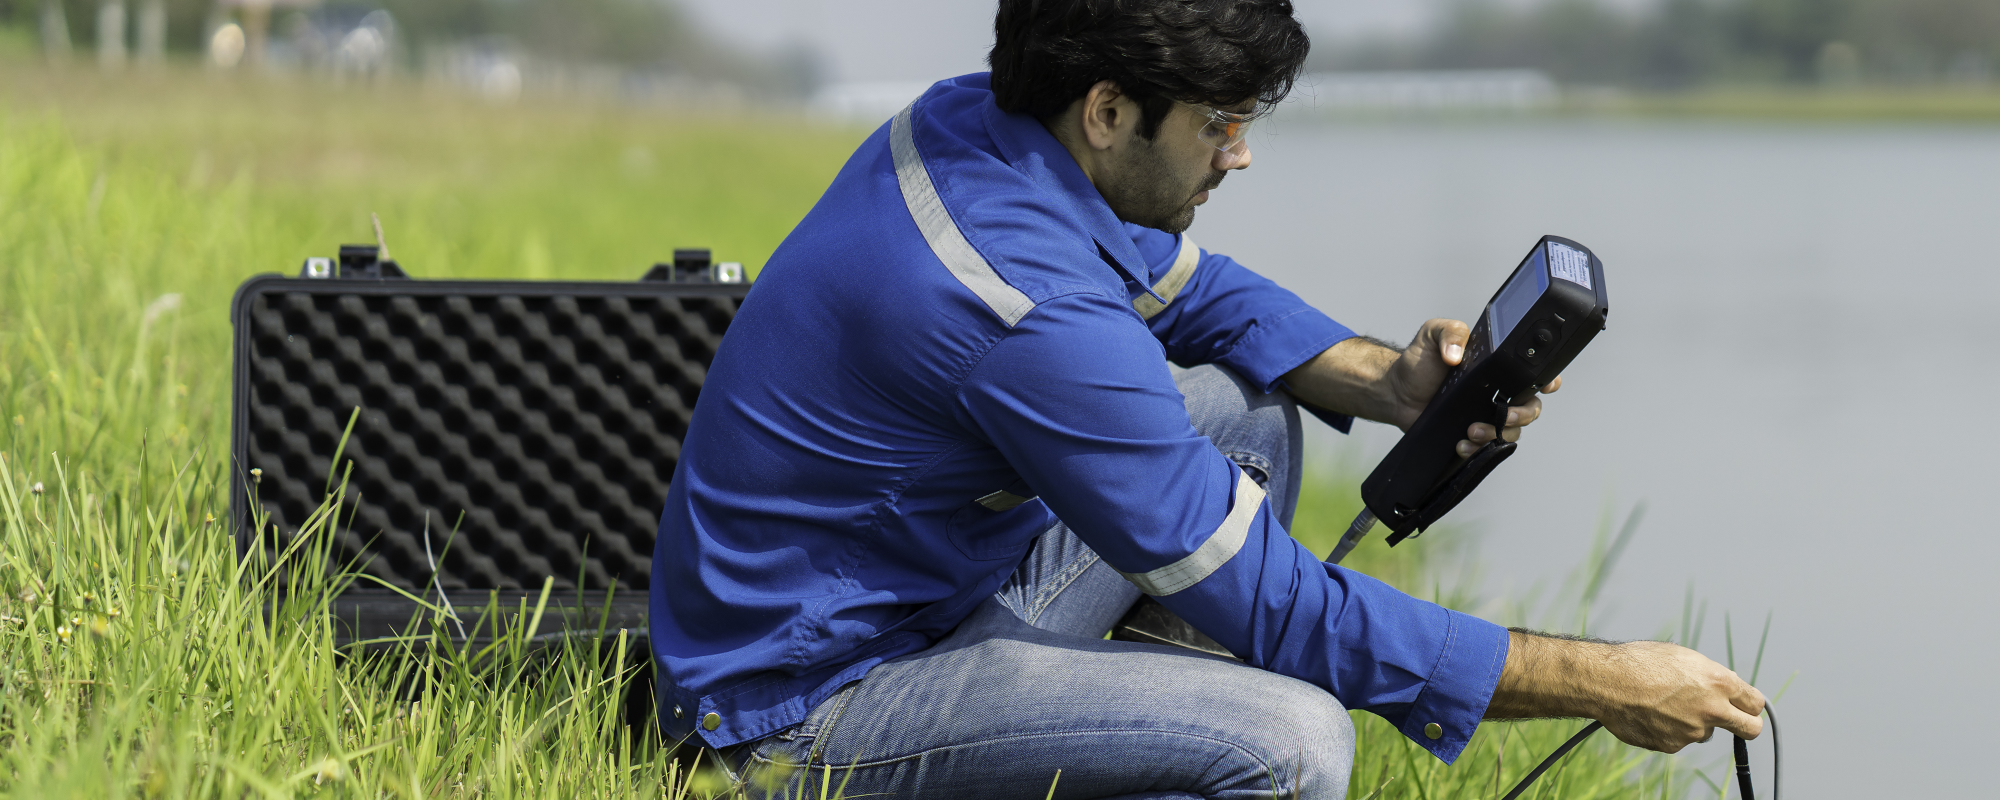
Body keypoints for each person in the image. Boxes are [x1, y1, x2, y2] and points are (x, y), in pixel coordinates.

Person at [648, 1, 1765, 797]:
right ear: (1106, 109)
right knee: (1292, 738)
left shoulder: (977, 125)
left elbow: (1200, 293)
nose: (1239, 157)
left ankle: (1151, 723)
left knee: (1247, 412)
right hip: (800, 705)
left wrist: (1390, 380)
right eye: (1215, 126)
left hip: (917, 583)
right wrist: (1599, 678)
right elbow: (1277, 604)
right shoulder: (1022, 303)